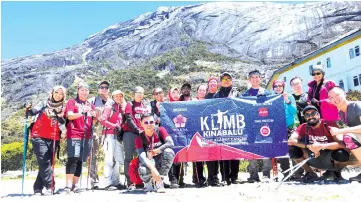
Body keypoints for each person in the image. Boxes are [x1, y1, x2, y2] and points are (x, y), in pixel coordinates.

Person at [288, 105, 359, 183]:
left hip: (330, 157)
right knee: (292, 150)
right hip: (313, 157)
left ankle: (336, 173)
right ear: (305, 117)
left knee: (342, 153)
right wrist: (309, 146)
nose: (310, 117)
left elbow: (342, 144)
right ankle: (310, 173)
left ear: (318, 115)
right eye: (307, 115)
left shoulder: (329, 124)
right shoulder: (303, 127)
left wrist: (321, 146)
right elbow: (291, 140)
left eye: (313, 113)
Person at [26, 86, 66, 195]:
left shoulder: (63, 107)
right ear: (52, 93)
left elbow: (63, 123)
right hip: (38, 136)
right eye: (56, 92)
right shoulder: (44, 103)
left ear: (63, 96)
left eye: (61, 93)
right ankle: (50, 186)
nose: (58, 95)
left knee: (46, 164)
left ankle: (37, 188)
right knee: (44, 161)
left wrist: (58, 115)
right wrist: (28, 109)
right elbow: (33, 112)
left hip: (54, 138)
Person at [64, 82, 96, 193]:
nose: (84, 92)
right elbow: (69, 115)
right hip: (74, 133)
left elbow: (94, 119)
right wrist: (82, 112)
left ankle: (75, 184)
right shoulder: (72, 102)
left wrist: (96, 114)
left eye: (86, 90)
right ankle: (68, 185)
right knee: (73, 158)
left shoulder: (90, 104)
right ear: (78, 91)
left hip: (87, 135)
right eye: (82, 90)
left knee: (80, 160)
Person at [240, 70, 272, 183]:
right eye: (252, 77)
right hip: (249, 126)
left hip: (264, 125)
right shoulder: (244, 95)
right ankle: (253, 175)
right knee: (251, 150)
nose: (255, 79)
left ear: (260, 79)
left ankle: (266, 175)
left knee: (265, 149)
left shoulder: (267, 93)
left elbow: (272, 108)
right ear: (249, 80)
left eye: (257, 77)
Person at [328, 86, 361, 182]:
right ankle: (333, 170)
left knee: (347, 137)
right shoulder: (341, 113)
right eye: (331, 97)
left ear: (344, 94)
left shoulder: (356, 106)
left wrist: (340, 131)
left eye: (337, 95)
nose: (335, 99)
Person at [136, 113, 175, 193]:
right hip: (149, 163)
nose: (149, 124)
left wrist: (157, 150)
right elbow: (142, 157)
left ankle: (159, 182)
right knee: (142, 169)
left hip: (159, 161)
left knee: (169, 152)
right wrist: (153, 170)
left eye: (151, 122)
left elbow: (171, 143)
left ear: (155, 122)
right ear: (141, 124)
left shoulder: (160, 130)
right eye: (146, 123)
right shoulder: (139, 138)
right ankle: (148, 183)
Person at [214, 72, 240, 185]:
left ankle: (234, 176)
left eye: (228, 78)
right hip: (221, 126)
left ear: (231, 81)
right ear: (220, 82)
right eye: (223, 79)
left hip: (234, 125)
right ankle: (225, 177)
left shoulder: (237, 93)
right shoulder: (216, 95)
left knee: (235, 151)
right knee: (223, 151)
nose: (226, 80)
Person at [100, 90, 127, 190]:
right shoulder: (109, 107)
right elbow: (102, 120)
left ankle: (116, 181)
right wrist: (114, 126)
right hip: (109, 135)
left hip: (118, 137)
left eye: (121, 96)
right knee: (109, 159)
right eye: (117, 96)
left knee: (118, 160)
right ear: (113, 97)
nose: (119, 98)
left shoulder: (120, 108)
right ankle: (108, 182)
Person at [123, 86, 149, 189]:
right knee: (129, 158)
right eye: (138, 92)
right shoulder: (130, 104)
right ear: (134, 94)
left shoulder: (144, 106)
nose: (140, 94)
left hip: (142, 134)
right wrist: (137, 129)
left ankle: (139, 181)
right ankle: (130, 181)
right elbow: (129, 119)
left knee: (141, 158)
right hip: (130, 133)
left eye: (142, 93)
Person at [272, 80, 299, 180]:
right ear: (273, 88)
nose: (278, 87)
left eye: (280, 86)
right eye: (276, 86)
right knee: (282, 152)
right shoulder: (271, 98)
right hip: (278, 128)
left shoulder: (290, 96)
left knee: (294, 150)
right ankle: (286, 173)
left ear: (283, 87)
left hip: (290, 127)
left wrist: (287, 100)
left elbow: (294, 111)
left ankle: (298, 172)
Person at [87, 80, 111, 189]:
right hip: (95, 130)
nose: (104, 89)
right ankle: (94, 180)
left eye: (106, 87)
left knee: (109, 156)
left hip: (109, 131)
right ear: (98, 89)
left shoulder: (111, 102)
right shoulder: (92, 100)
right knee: (94, 156)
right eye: (102, 87)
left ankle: (109, 180)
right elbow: (86, 112)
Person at [203, 76, 223, 186]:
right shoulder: (205, 97)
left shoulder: (220, 95)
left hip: (219, 128)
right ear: (208, 85)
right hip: (207, 128)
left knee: (217, 154)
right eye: (210, 82)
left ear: (217, 84)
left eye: (214, 82)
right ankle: (210, 178)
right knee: (209, 154)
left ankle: (215, 177)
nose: (212, 84)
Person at [192, 84, 208, 187]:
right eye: (200, 90)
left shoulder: (208, 102)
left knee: (204, 155)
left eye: (204, 90)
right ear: (197, 91)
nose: (202, 92)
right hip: (195, 130)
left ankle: (202, 177)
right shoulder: (192, 101)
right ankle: (197, 178)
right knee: (196, 155)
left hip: (205, 130)